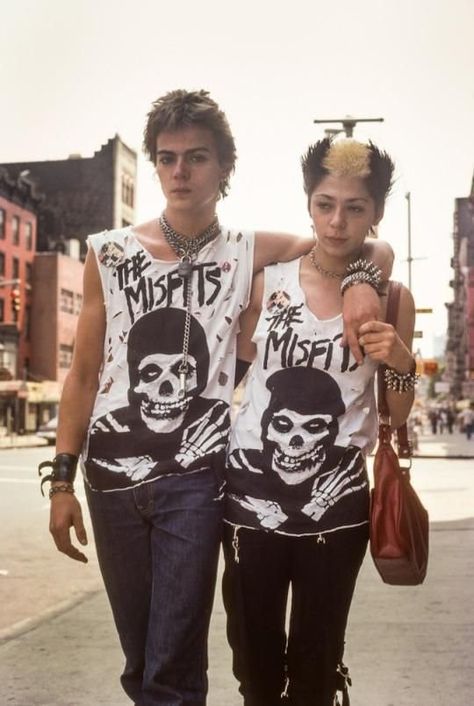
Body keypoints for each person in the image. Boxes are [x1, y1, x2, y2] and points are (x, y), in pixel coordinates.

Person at [39, 91, 393, 706]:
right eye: (167, 158)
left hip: (196, 481)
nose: (179, 172)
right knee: (138, 658)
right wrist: (63, 482)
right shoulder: (110, 252)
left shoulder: (249, 252)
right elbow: (84, 372)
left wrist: (366, 280)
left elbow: (352, 243)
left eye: (196, 158)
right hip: (110, 481)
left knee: (173, 663)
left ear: (224, 168)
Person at [223, 137, 416, 705]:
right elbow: (227, 375)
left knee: (316, 669)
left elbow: (395, 412)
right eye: (325, 203)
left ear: (376, 213)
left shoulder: (392, 297)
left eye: (355, 207)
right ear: (308, 203)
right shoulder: (267, 282)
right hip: (249, 506)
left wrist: (402, 361)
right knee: (255, 670)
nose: (337, 222)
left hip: (338, 514)